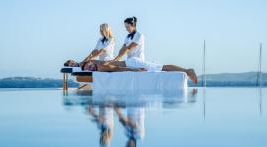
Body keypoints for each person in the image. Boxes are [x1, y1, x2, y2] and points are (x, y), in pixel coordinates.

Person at [64, 59, 197, 84]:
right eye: (88, 69)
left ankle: (188, 70)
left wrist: (135, 70)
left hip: (132, 63)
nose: (90, 69)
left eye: (90, 67)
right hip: (131, 62)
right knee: (162, 68)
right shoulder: (95, 64)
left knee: (163, 68)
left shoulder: (101, 66)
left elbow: (118, 69)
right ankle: (187, 70)